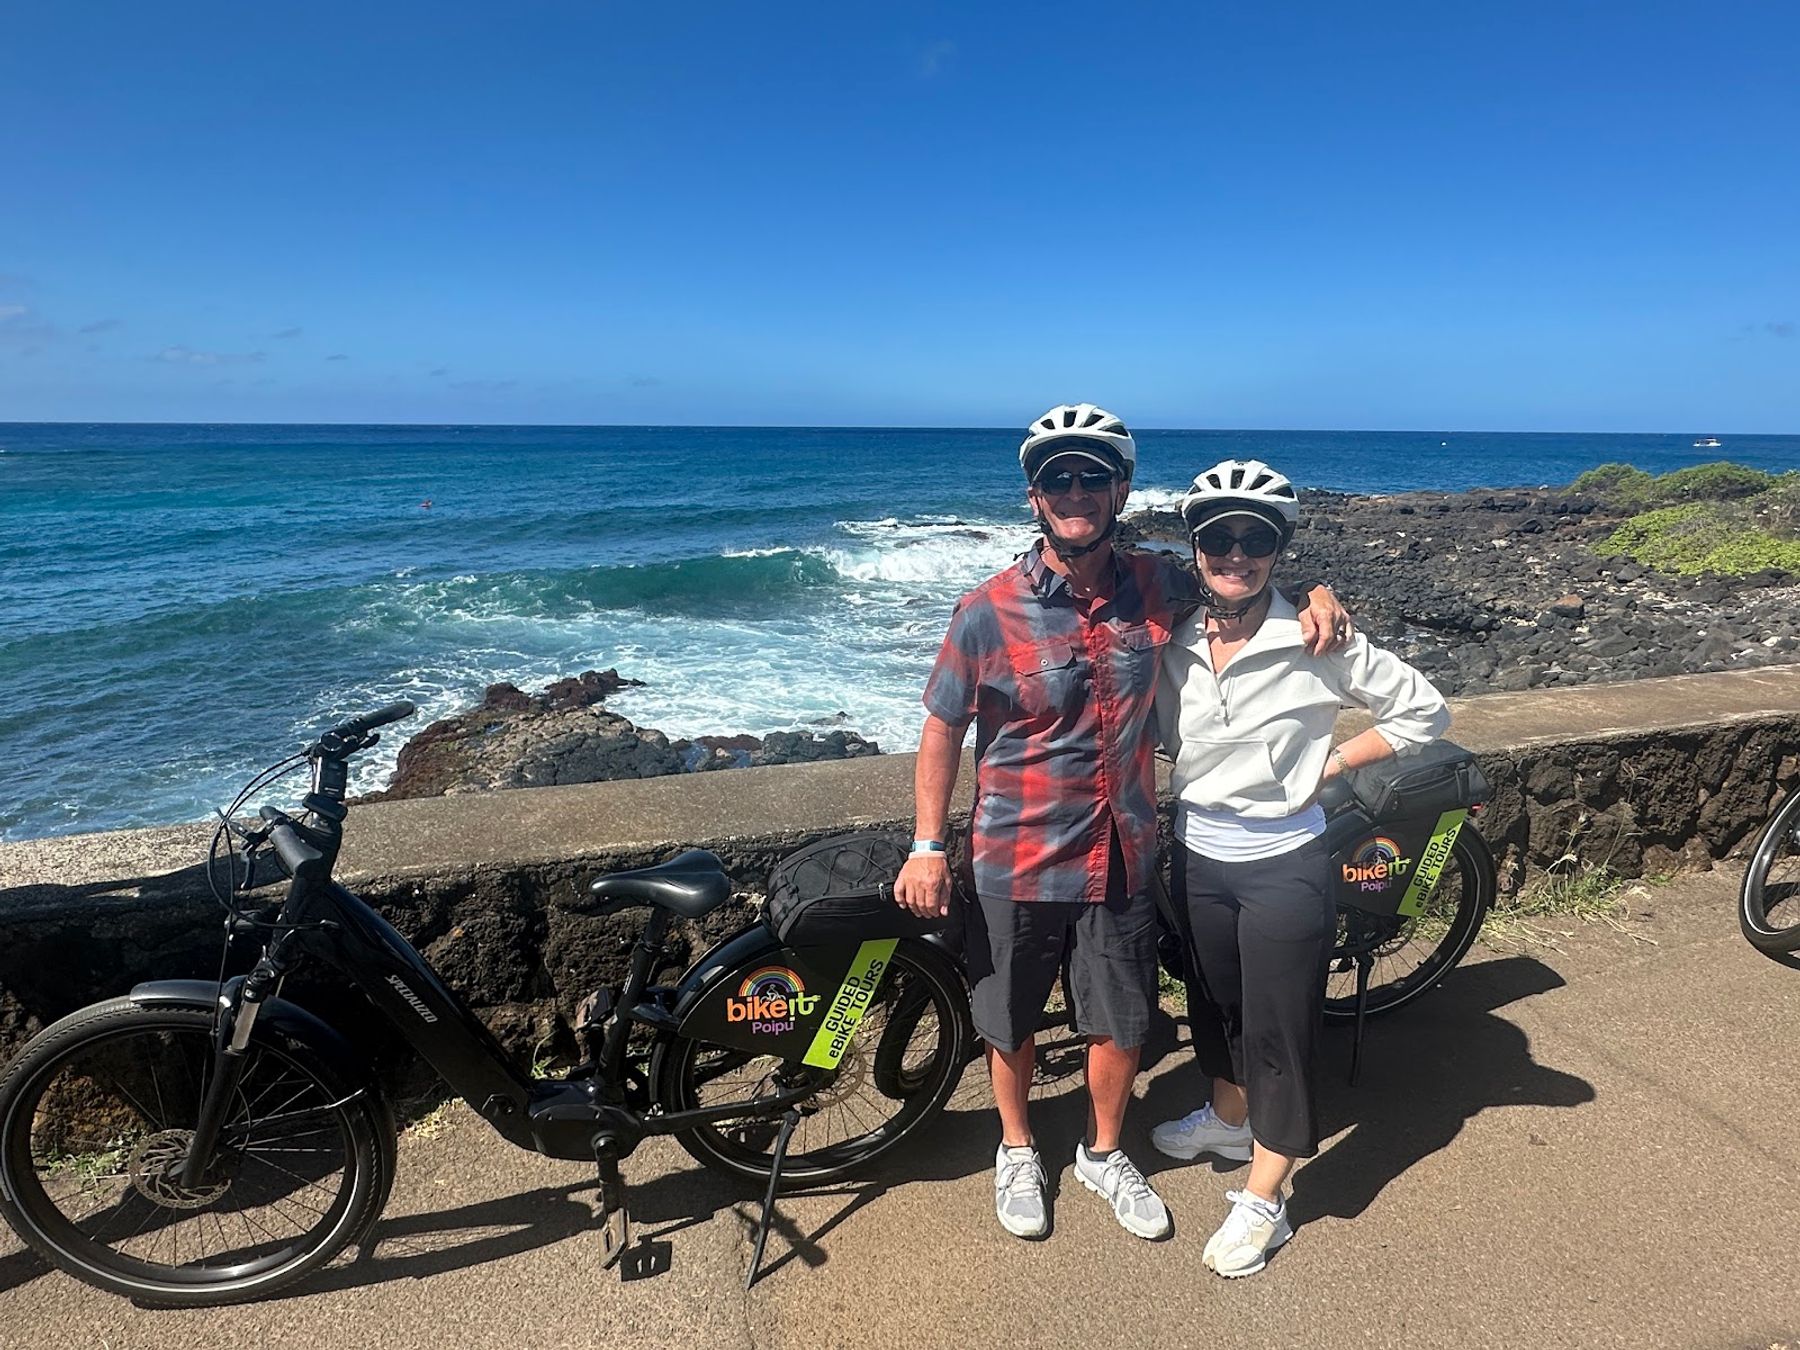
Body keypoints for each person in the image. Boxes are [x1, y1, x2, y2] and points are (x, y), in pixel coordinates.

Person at [894, 409, 1350, 1242]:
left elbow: (1239, 577)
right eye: (1058, 478)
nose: (1076, 492)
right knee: (1010, 1018)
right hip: (1015, 853)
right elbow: (942, 725)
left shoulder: (1157, 584)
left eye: (1093, 477)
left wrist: (1317, 596)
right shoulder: (986, 611)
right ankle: (1017, 1146)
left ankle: (1102, 1152)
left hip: (1122, 853)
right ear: (1035, 496)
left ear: (1121, 490)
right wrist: (927, 845)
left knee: (1121, 1017)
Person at [1149, 458, 1449, 1277]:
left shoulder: (1317, 637)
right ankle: (1228, 1119)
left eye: (1255, 540)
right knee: (1215, 1006)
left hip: (1283, 862)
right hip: (1198, 855)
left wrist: (1334, 763)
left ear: (1278, 549)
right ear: (1196, 547)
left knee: (1278, 1029)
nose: (1236, 554)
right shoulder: (1174, 633)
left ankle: (1267, 1197)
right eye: (1219, 538)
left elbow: (1424, 712)